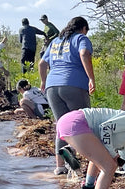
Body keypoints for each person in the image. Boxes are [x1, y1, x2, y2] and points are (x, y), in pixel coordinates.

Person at [39, 16, 95, 175]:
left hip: (52, 86)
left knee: (61, 125)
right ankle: (87, 163)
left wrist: (43, 82)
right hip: (74, 84)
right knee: (82, 123)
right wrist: (91, 78)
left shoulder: (56, 41)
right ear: (83, 28)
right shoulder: (81, 38)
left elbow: (42, 63)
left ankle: (61, 167)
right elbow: (84, 53)